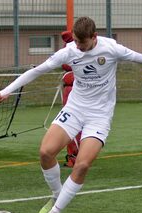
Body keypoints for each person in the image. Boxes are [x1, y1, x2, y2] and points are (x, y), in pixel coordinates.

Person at [0, 16, 142, 213]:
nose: (77, 46)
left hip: (100, 116)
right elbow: (38, 70)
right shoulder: (70, 51)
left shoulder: (111, 49)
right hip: (75, 109)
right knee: (45, 152)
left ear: (94, 38)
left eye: (81, 43)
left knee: (82, 165)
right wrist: (7, 90)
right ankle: (57, 194)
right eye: (75, 41)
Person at [60, 30, 81, 168]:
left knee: (71, 124)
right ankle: (77, 155)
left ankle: (75, 157)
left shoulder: (71, 50)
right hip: (73, 89)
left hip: (73, 91)